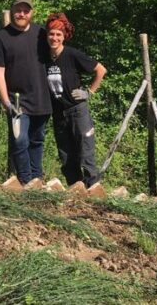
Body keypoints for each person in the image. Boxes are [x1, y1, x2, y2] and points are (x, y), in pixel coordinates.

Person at [0, 0, 52, 184]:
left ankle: (37, 180)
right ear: (12, 11)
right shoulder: (1, 37)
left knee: (37, 141)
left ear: (31, 12)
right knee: (20, 140)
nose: (21, 14)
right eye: (18, 10)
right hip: (17, 101)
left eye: (26, 11)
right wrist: (6, 102)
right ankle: (25, 181)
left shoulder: (42, 33)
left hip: (41, 97)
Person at [45, 13, 106, 187]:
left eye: (58, 34)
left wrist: (89, 92)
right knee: (66, 156)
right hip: (58, 113)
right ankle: (75, 190)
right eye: (51, 34)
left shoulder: (72, 55)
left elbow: (100, 70)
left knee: (86, 153)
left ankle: (93, 191)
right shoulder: (45, 58)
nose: (54, 38)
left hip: (77, 111)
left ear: (64, 36)